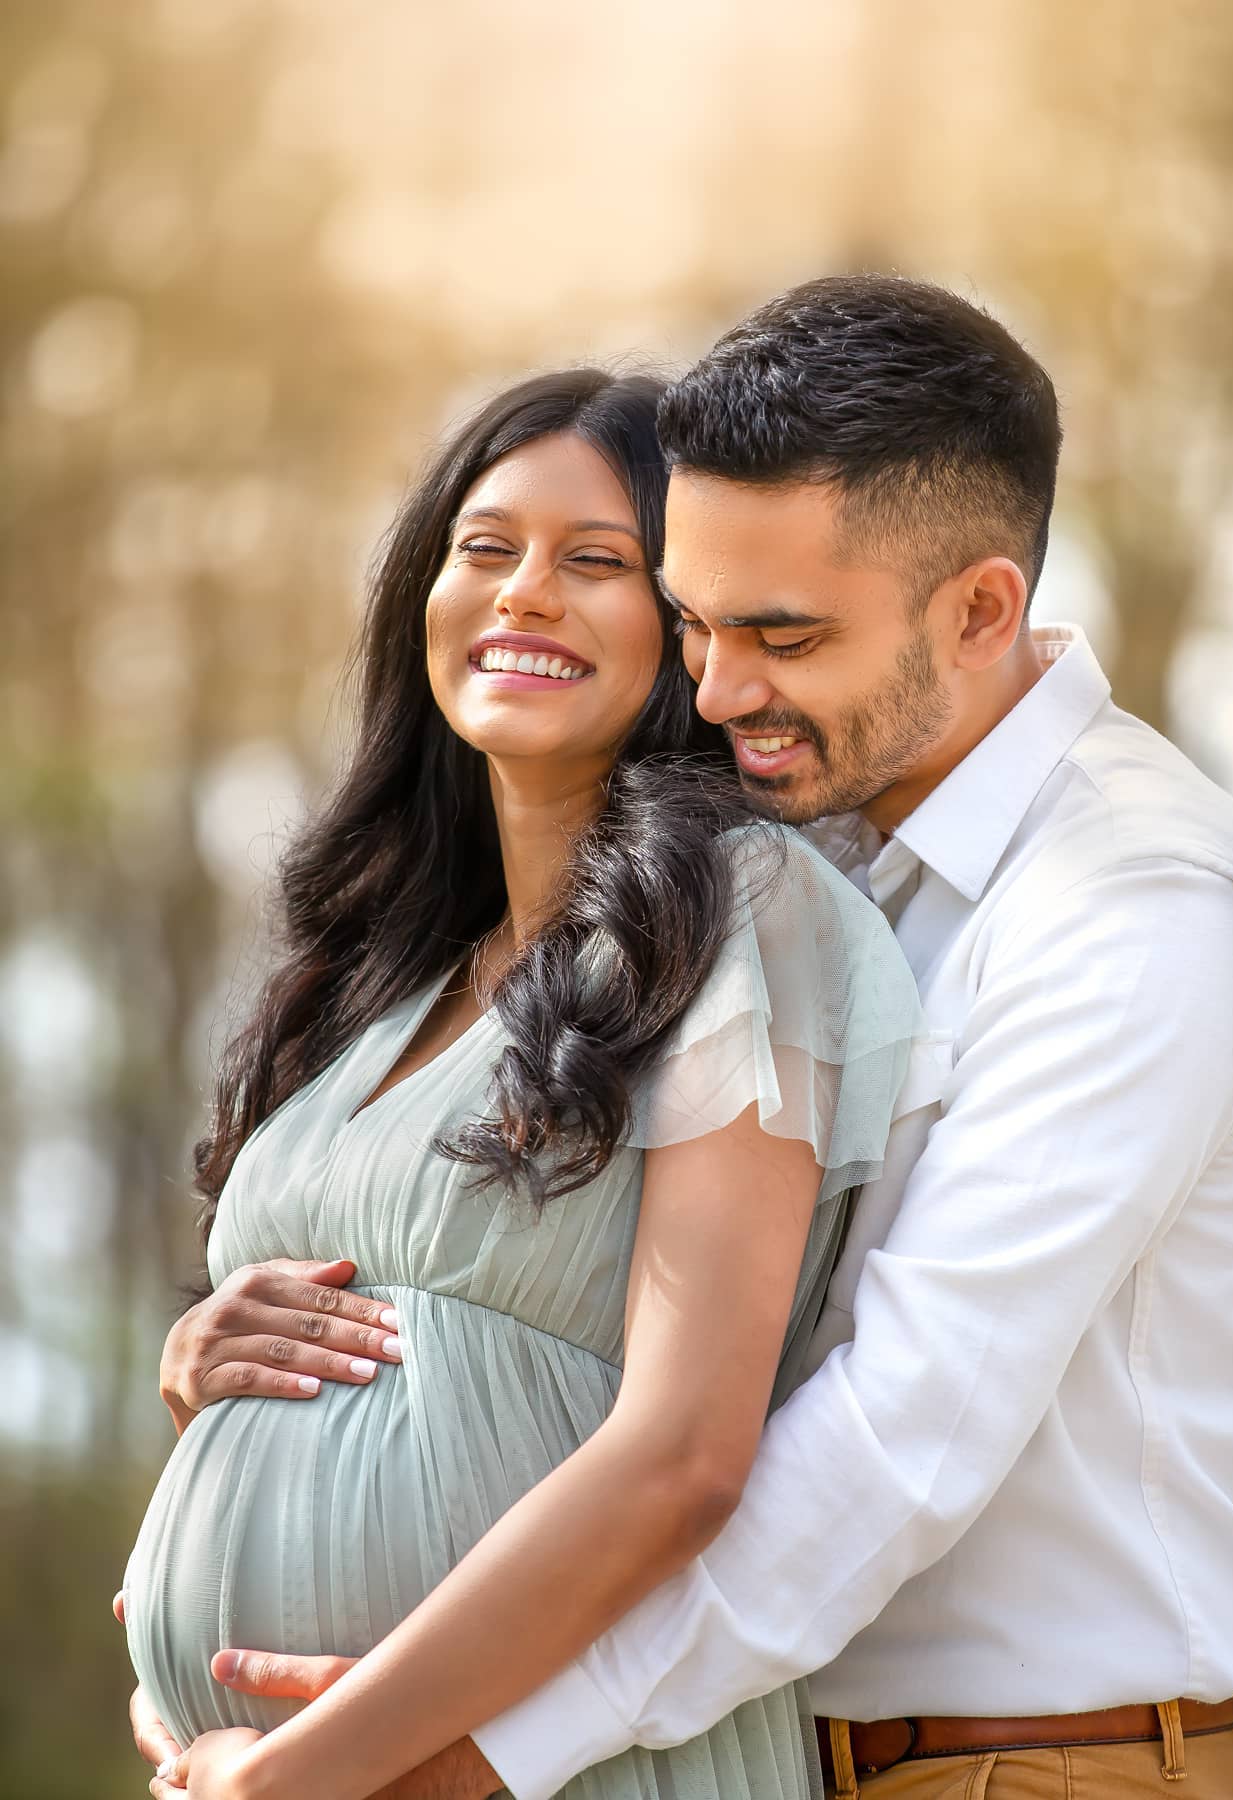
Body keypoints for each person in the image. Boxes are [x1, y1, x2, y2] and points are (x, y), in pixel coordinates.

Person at [141, 276, 1233, 1800]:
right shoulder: (802, 845)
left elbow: (894, 1443)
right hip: (774, 1750)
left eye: (781, 634)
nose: (715, 688)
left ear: (979, 611)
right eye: (695, 621)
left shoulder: (1143, 905)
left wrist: (456, 1758)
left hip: (1033, 1770)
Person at [118, 366, 946, 1800]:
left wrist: (316, 1768)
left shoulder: (742, 913)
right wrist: (201, 1388)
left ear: (687, 633)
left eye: (597, 563)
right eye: (486, 549)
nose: (526, 594)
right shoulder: (386, 969)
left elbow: (686, 1456)